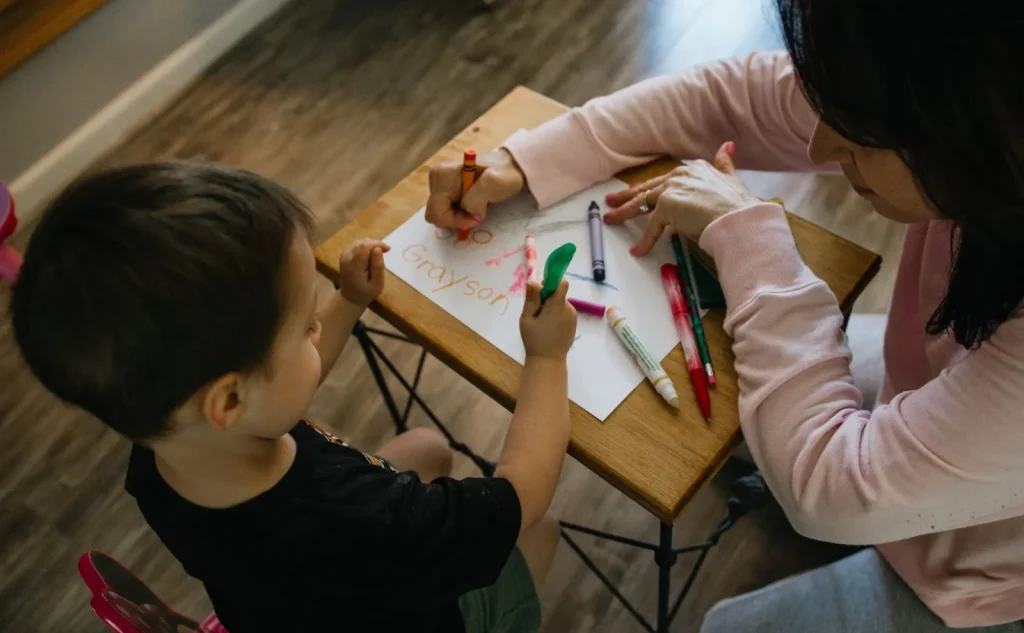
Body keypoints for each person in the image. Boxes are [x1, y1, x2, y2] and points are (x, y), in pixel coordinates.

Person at [423, 0, 1024, 631]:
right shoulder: (971, 107)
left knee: (726, 621)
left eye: (859, 132)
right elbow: (735, 97)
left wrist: (749, 238)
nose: (819, 144)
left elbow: (830, 487)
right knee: (748, 406)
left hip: (989, 571)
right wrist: (524, 161)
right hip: (942, 386)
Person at [11, 161, 578, 633]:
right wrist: (548, 357)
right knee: (543, 527)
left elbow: (273, 392)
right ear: (228, 401)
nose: (317, 330)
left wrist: (348, 300)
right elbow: (521, 494)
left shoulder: (164, 450)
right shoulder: (363, 521)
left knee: (428, 445)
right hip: (412, 612)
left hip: (287, 606)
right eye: (307, 326)